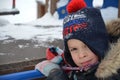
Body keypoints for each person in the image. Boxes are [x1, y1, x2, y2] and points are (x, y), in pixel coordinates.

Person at [35, 0, 120, 80]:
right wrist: (55, 72)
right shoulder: (80, 68)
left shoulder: (114, 74)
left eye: (87, 45)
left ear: (101, 42)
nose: (81, 55)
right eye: (74, 49)